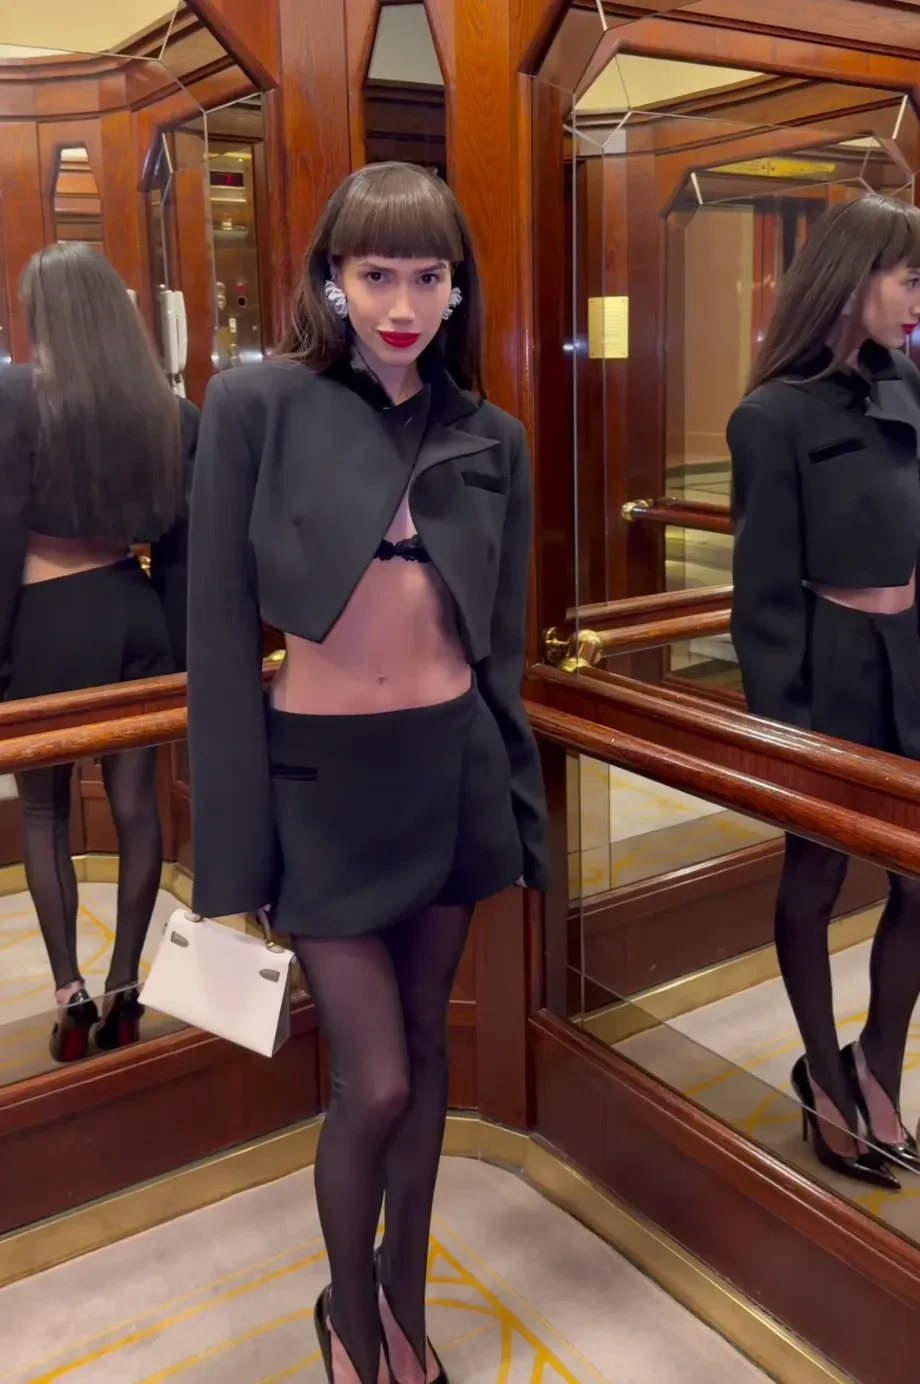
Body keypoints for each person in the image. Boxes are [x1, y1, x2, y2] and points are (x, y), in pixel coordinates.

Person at [187, 162, 548, 1384]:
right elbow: (217, 643)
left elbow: (498, 648)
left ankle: (401, 1302)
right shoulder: (255, 407)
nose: (402, 302)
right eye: (376, 272)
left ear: (457, 288)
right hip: (320, 790)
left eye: (428, 276)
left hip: (450, 775)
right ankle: (346, 1312)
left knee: (429, 1056)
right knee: (376, 1080)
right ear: (331, 281)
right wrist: (232, 855)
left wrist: (517, 808)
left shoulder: (491, 434)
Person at [728, 192, 920, 1191]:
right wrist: (784, 735)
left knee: (917, 883)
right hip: (828, 663)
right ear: (852, 279)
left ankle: (875, 1063)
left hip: (911, 656)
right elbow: (760, 594)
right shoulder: (769, 416)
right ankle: (823, 1077)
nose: (918, 299)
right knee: (813, 882)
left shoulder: (909, 386)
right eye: (909, 278)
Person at [0, 242, 198, 1062]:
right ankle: (125, 987)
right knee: (137, 809)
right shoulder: (166, 412)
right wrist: (180, 661)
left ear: (40, 314)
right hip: (135, 609)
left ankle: (70, 997)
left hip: (45, 618)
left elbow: (3, 532)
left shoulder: (15, 396)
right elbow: (184, 547)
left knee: (44, 812)